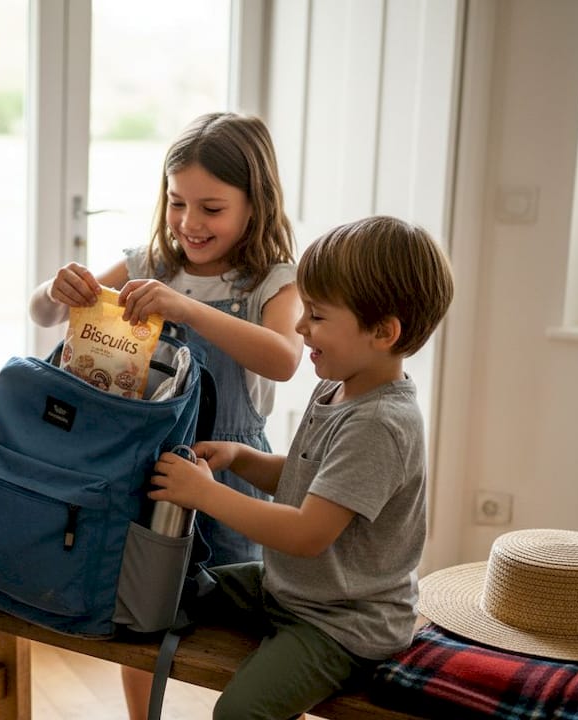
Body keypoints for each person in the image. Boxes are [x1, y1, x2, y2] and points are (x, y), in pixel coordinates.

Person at [28, 111, 304, 718]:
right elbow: (43, 314)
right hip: (142, 466)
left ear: (254, 205)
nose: (189, 223)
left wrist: (188, 306)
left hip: (229, 470)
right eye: (178, 203)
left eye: (212, 208)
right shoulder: (149, 261)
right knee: (139, 608)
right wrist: (57, 291)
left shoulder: (273, 282)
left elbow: (284, 360)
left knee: (240, 614)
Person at [147, 215, 454, 719]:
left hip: (341, 622)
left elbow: (307, 532)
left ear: (383, 332)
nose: (299, 327)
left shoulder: (380, 422)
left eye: (317, 315)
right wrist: (243, 458)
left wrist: (205, 494)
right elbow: (313, 476)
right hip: (290, 590)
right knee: (179, 589)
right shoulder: (339, 384)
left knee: (238, 714)